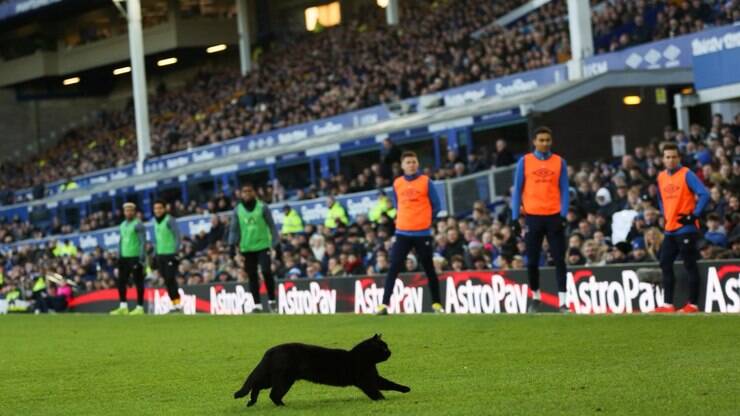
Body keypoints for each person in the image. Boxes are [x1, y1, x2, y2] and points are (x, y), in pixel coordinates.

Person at [511, 126, 570, 313]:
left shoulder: (559, 162)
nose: (544, 143)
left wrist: (563, 214)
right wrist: (514, 218)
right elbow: (517, 190)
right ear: (535, 142)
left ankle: (562, 301)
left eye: (547, 140)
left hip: (553, 217)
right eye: (541, 140)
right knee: (532, 260)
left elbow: (565, 190)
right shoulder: (525, 162)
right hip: (533, 217)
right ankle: (535, 297)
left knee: (560, 259)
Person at [377, 151, 443, 315]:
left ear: (417, 164)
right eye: (408, 162)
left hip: (422, 233)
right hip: (402, 233)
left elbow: (437, 206)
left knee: (429, 268)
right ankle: (384, 305)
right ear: (402, 165)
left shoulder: (426, 181)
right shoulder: (397, 183)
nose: (411, 164)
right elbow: (399, 205)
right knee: (394, 267)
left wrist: (425, 221)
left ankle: (436, 304)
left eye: (414, 161)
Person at [654, 143, 709, 313]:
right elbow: (660, 199)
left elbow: (704, 193)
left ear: (679, 158)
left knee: (689, 264)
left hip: (686, 227)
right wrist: (665, 214)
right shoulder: (661, 177)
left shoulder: (687, 174)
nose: (671, 160)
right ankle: (668, 304)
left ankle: (693, 304)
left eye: (674, 157)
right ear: (663, 159)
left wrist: (694, 215)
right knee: (665, 263)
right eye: (667, 157)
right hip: (670, 228)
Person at [228, 184, 280, 312]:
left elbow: (272, 226)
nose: (246, 194)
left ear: (254, 193)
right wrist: (231, 247)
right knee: (252, 275)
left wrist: (276, 243)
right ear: (240, 194)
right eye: (244, 192)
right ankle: (257, 304)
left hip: (262, 245)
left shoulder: (263, 207)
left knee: (266, 271)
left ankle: (272, 300)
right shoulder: (237, 210)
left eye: (249, 191)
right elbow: (234, 230)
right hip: (247, 248)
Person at [110, 202, 147, 315]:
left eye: (130, 210)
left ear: (134, 211)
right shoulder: (122, 225)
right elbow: (121, 241)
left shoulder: (138, 224)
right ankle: (123, 306)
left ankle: (140, 307)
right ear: (124, 212)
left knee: (138, 282)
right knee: (121, 282)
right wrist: (119, 255)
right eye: (126, 210)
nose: (128, 212)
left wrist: (141, 258)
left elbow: (142, 242)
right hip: (124, 258)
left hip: (135, 257)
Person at [152, 200, 182, 313]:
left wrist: (176, 251)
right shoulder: (155, 222)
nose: (157, 210)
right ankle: (174, 303)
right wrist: (155, 255)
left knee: (170, 278)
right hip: (160, 255)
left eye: (160, 208)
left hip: (170, 254)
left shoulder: (169, 220)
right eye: (156, 208)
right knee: (166, 279)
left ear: (164, 209)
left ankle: (177, 303)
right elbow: (157, 240)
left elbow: (177, 236)